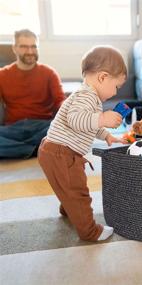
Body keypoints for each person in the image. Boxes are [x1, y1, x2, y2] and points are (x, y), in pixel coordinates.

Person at [38, 46, 127, 242]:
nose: (115, 92)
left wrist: (106, 135)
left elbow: (87, 124)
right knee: (78, 192)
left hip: (54, 150)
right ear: (103, 77)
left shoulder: (88, 95)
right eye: (116, 87)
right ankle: (90, 231)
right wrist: (103, 118)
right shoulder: (86, 96)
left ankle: (68, 209)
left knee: (66, 186)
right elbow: (76, 120)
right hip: (61, 153)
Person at [0, 29, 65, 158]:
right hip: (13, 128)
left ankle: (18, 149)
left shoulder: (49, 73)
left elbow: (60, 100)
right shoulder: (2, 75)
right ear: (15, 48)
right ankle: (36, 149)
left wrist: (70, 111)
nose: (30, 51)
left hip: (43, 126)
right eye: (24, 47)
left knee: (65, 130)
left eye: (33, 46)